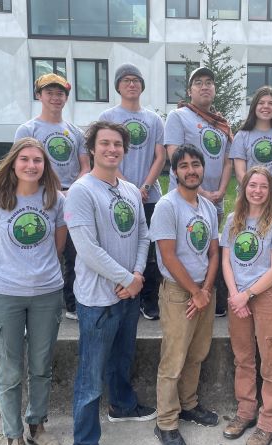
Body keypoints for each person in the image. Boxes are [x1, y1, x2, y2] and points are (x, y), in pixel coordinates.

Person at [64, 122, 156, 445]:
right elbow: (87, 248)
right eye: (105, 143)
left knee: (122, 359)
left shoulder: (131, 190)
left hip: (128, 293)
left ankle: (123, 405)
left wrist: (135, 276)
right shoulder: (81, 190)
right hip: (98, 300)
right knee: (90, 377)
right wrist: (127, 279)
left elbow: (143, 234)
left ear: (125, 150)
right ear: (92, 148)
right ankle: (85, 443)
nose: (112, 149)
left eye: (117, 144)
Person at [0, 137, 66, 445]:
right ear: (14, 162)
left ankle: (36, 427)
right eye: (25, 159)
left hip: (47, 295)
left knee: (41, 367)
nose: (31, 165)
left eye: (37, 160)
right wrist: (1, 275)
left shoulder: (55, 199)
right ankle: (12, 435)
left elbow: (59, 244)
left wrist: (37, 273)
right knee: (10, 370)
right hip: (5, 296)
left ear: (45, 166)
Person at [150, 144, 220, 445]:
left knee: (197, 354)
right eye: (184, 166)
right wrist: (195, 291)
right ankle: (166, 421)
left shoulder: (207, 207)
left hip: (204, 291)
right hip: (180, 293)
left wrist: (205, 290)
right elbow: (167, 255)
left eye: (196, 164)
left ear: (203, 168)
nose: (191, 170)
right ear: (174, 172)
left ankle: (189, 404)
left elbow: (214, 251)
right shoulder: (168, 205)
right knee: (174, 358)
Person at [220, 166, 272, 445]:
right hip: (238, 297)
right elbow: (226, 260)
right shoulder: (232, 219)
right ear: (244, 188)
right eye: (252, 185)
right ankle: (246, 412)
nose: (257, 190)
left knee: (270, 361)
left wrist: (247, 294)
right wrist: (236, 294)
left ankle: (268, 423)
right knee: (243, 358)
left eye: (263, 186)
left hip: (264, 297)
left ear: (270, 190)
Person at [16, 73, 91, 321]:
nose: (55, 98)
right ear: (39, 95)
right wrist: (55, 189)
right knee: (39, 247)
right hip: (41, 196)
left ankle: (71, 303)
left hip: (72, 197)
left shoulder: (75, 132)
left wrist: (74, 189)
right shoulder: (28, 129)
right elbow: (23, 165)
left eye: (60, 93)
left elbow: (85, 165)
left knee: (72, 250)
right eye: (49, 92)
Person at [98, 63, 166, 321]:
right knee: (118, 244)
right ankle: (120, 293)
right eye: (126, 80)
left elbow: (160, 156)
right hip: (115, 192)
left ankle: (148, 299)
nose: (131, 84)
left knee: (149, 249)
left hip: (150, 195)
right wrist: (128, 188)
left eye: (136, 80)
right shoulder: (108, 116)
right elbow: (105, 155)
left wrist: (145, 187)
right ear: (118, 86)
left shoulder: (153, 119)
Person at [164, 66, 232, 317]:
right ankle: (184, 295)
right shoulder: (179, 116)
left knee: (208, 248)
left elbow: (227, 160)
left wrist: (221, 191)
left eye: (209, 83)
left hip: (215, 198)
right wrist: (201, 191)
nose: (205, 86)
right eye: (199, 83)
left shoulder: (221, 122)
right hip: (188, 197)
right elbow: (174, 155)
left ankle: (208, 294)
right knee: (186, 247)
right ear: (190, 90)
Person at [231, 86, 272, 205]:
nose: (266, 106)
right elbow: (240, 173)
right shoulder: (242, 135)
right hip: (249, 202)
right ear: (254, 106)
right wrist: (255, 194)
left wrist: (271, 195)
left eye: (271, 103)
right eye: (261, 103)